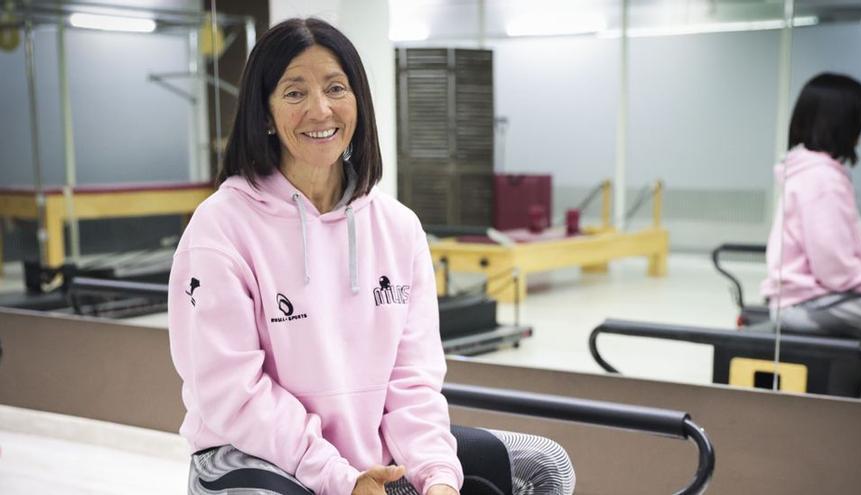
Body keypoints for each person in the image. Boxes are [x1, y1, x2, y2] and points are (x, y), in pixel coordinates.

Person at [167, 17, 575, 495]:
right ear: (265, 114)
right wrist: (341, 479)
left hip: (373, 454)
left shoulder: (398, 228)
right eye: (295, 93)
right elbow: (234, 395)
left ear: (357, 102)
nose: (321, 110)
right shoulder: (221, 227)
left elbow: (414, 380)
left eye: (336, 88)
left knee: (543, 465)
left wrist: (438, 476)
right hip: (255, 452)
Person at [760, 72, 861, 346]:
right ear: (842, 121)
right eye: (859, 115)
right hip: (812, 304)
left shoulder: (810, 172)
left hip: (811, 300)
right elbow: (836, 272)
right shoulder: (823, 179)